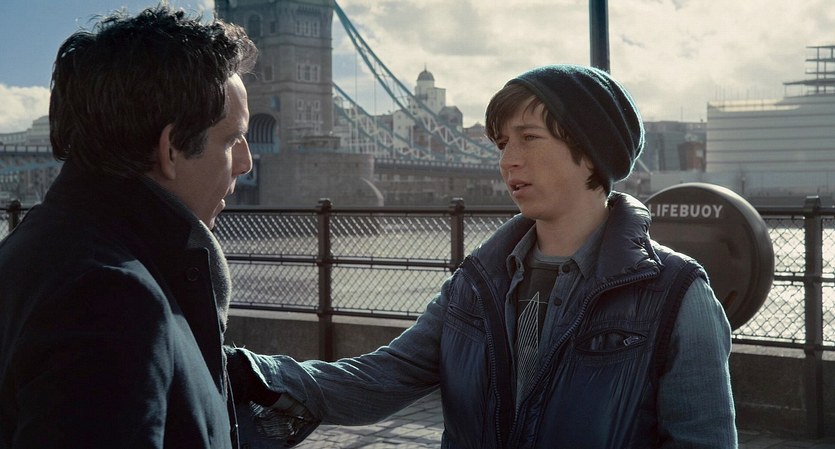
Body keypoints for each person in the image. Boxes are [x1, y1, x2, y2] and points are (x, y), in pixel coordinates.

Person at [226, 64, 738, 448]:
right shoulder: (477, 282)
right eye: (500, 143)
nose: (507, 160)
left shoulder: (676, 294)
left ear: (591, 152)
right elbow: (385, 377)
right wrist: (254, 372)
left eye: (528, 138)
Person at [0, 5, 260, 448]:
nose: (245, 163)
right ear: (171, 149)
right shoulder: (112, 301)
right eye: (232, 139)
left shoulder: (34, 247)